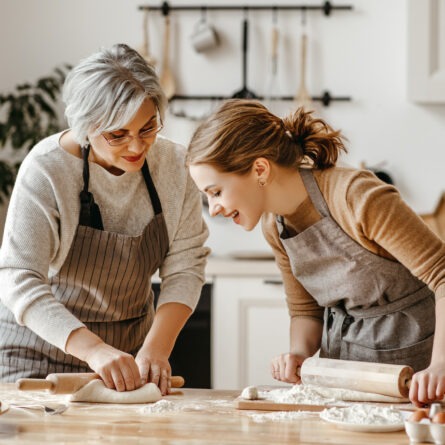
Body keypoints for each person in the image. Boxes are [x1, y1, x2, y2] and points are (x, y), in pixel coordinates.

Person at [186, 99, 445, 406]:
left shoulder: (356, 197)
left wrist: (440, 364)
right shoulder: (274, 225)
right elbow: (305, 310)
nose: (213, 209)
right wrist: (298, 353)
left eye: (215, 192)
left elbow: (441, 275)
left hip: (417, 375)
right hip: (343, 376)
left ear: (259, 168)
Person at [0, 44, 210, 395]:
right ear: (84, 127)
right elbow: (19, 276)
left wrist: (156, 348)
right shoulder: (47, 169)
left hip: (127, 360)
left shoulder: (175, 166)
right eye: (117, 135)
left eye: (148, 128)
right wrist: (93, 349)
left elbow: (186, 265)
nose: (136, 147)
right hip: (35, 355)